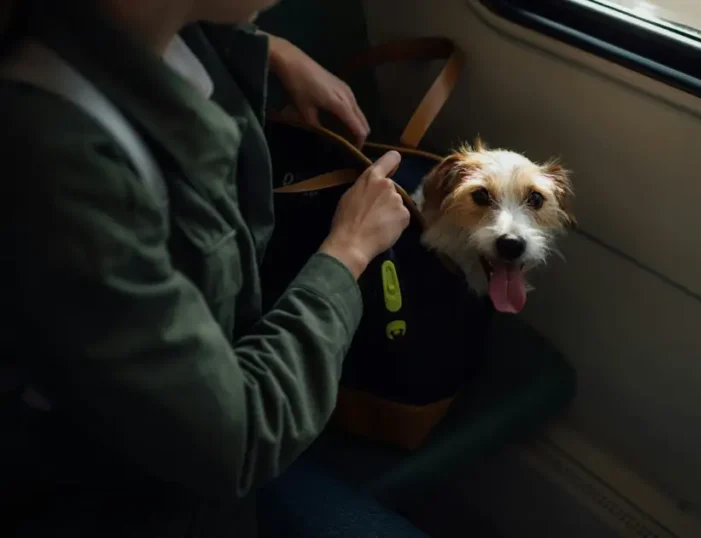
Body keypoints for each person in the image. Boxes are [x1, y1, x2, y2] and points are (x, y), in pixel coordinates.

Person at [0, 0, 419, 536]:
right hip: (132, 497)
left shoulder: (174, 40)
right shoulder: (58, 162)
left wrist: (270, 50)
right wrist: (349, 250)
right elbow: (239, 441)